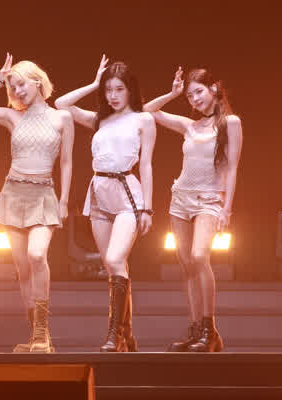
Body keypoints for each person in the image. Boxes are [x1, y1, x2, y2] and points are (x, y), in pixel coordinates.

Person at [0, 54, 74, 353]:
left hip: (44, 195)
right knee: (23, 268)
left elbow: (66, 162)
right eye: (13, 87)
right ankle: (37, 337)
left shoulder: (61, 118)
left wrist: (64, 200)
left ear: (37, 81)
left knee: (37, 255)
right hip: (13, 194)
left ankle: (41, 331)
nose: (17, 91)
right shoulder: (13, 117)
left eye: (21, 84)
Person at [55, 56, 156, 352]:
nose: (113, 95)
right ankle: (126, 335)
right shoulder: (100, 119)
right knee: (115, 268)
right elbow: (61, 104)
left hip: (127, 195)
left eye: (119, 89)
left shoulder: (143, 120)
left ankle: (113, 334)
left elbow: (147, 165)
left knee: (114, 260)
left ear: (130, 90)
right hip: (99, 194)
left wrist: (147, 208)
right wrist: (93, 82)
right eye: (108, 89)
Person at [144, 67, 243, 352]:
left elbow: (232, 168)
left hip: (209, 200)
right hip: (180, 200)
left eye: (198, 91)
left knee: (200, 256)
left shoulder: (230, 123)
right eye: (189, 96)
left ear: (214, 88)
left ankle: (210, 330)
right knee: (187, 266)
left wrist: (227, 208)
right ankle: (195, 328)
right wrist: (172, 93)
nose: (194, 99)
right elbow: (148, 111)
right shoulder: (190, 125)